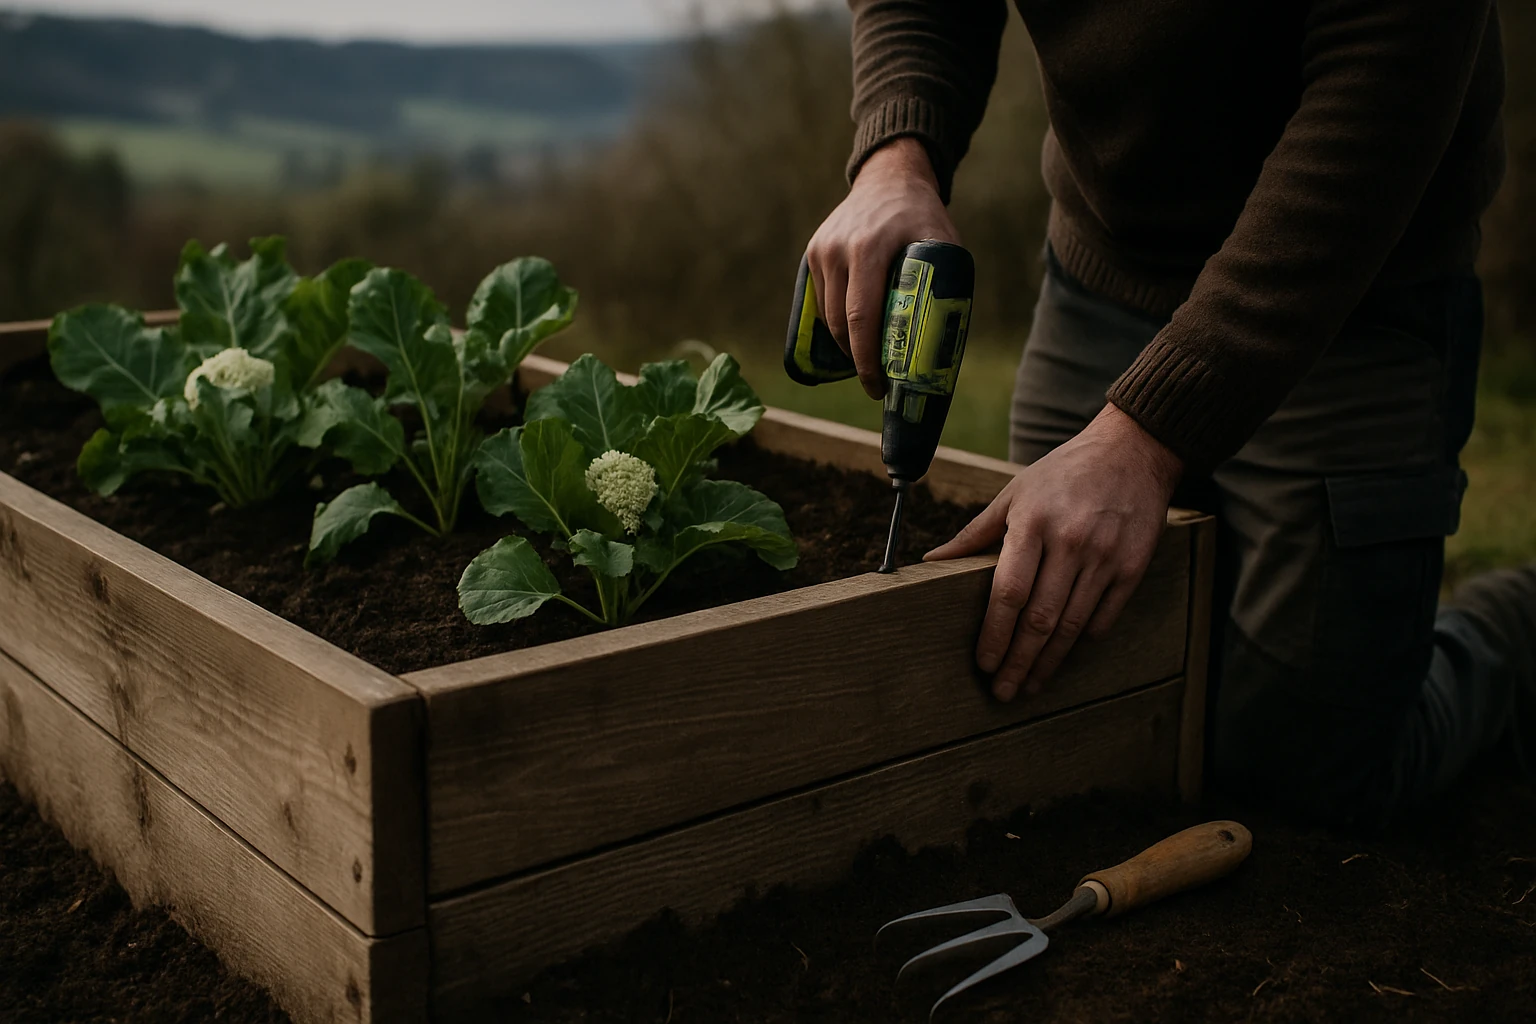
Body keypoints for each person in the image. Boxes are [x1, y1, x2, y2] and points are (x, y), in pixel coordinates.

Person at [806, 0, 1535, 826]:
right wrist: (896, 157)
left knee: (1304, 777)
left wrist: (1145, 441)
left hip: (1348, 286)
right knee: (1055, 676)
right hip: (1106, 271)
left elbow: (1383, 89)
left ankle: (1512, 628)